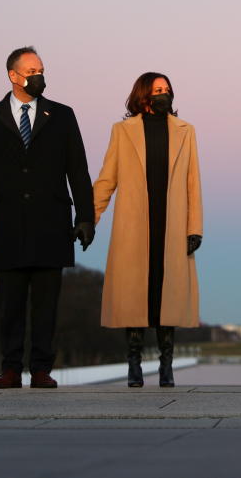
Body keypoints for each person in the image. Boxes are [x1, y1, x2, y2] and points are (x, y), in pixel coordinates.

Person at [0, 46, 95, 389]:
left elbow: (78, 170)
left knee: (46, 303)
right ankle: (10, 369)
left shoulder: (63, 116)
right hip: (7, 222)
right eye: (31, 70)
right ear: (13, 75)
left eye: (41, 69)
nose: (39, 75)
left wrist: (86, 217)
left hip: (51, 221)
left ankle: (41, 369)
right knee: (9, 303)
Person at [93, 72, 203, 388]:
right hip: (134, 225)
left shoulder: (186, 131)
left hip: (172, 226)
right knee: (135, 301)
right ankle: (134, 365)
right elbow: (106, 178)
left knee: (166, 299)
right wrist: (90, 217)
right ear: (143, 95)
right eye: (157, 90)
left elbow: (193, 182)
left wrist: (194, 226)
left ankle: (166, 367)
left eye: (167, 90)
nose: (163, 94)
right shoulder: (122, 131)